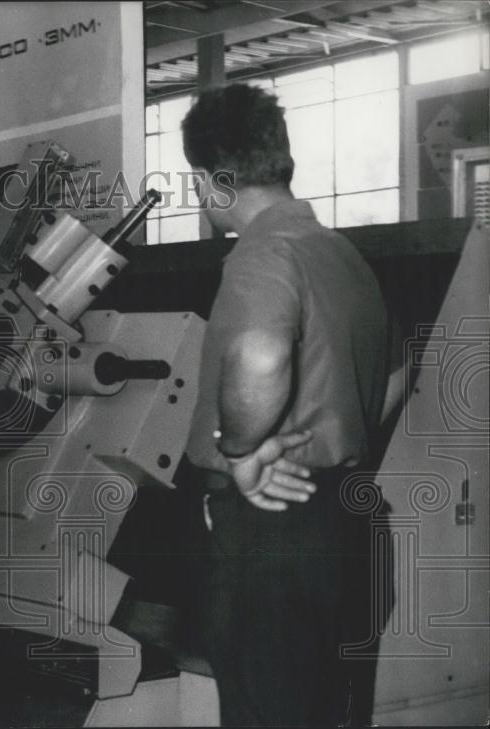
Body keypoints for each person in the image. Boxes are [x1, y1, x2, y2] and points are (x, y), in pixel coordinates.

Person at [180, 84, 396, 726]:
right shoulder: (340, 253)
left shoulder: (262, 253)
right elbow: (396, 374)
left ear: (214, 181)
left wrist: (242, 451)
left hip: (270, 532)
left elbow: (262, 356)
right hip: (337, 519)